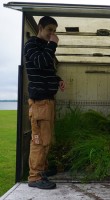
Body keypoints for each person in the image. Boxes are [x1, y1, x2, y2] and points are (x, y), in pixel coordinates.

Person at [24, 16, 65, 189]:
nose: (52, 34)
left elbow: (45, 70)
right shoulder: (32, 45)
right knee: (39, 141)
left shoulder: (43, 48)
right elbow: (40, 62)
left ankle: (43, 170)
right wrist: (53, 44)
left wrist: (58, 79)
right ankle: (34, 177)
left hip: (47, 102)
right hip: (39, 103)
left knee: (46, 139)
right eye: (49, 30)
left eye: (54, 31)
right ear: (40, 28)